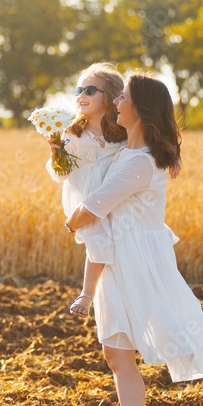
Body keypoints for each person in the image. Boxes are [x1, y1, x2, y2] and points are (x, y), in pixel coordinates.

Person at [65, 73, 203, 406]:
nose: (117, 102)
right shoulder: (128, 154)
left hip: (132, 263)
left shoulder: (140, 163)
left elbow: (94, 207)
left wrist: (71, 219)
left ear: (139, 109)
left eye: (123, 97)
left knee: (120, 353)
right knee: (117, 354)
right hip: (120, 258)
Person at [45, 63, 127, 317]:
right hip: (84, 199)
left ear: (112, 96)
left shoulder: (123, 132)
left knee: (122, 238)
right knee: (99, 237)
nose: (81, 95)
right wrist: (56, 152)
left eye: (90, 90)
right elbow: (60, 174)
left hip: (113, 197)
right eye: (78, 89)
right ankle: (87, 293)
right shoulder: (72, 133)